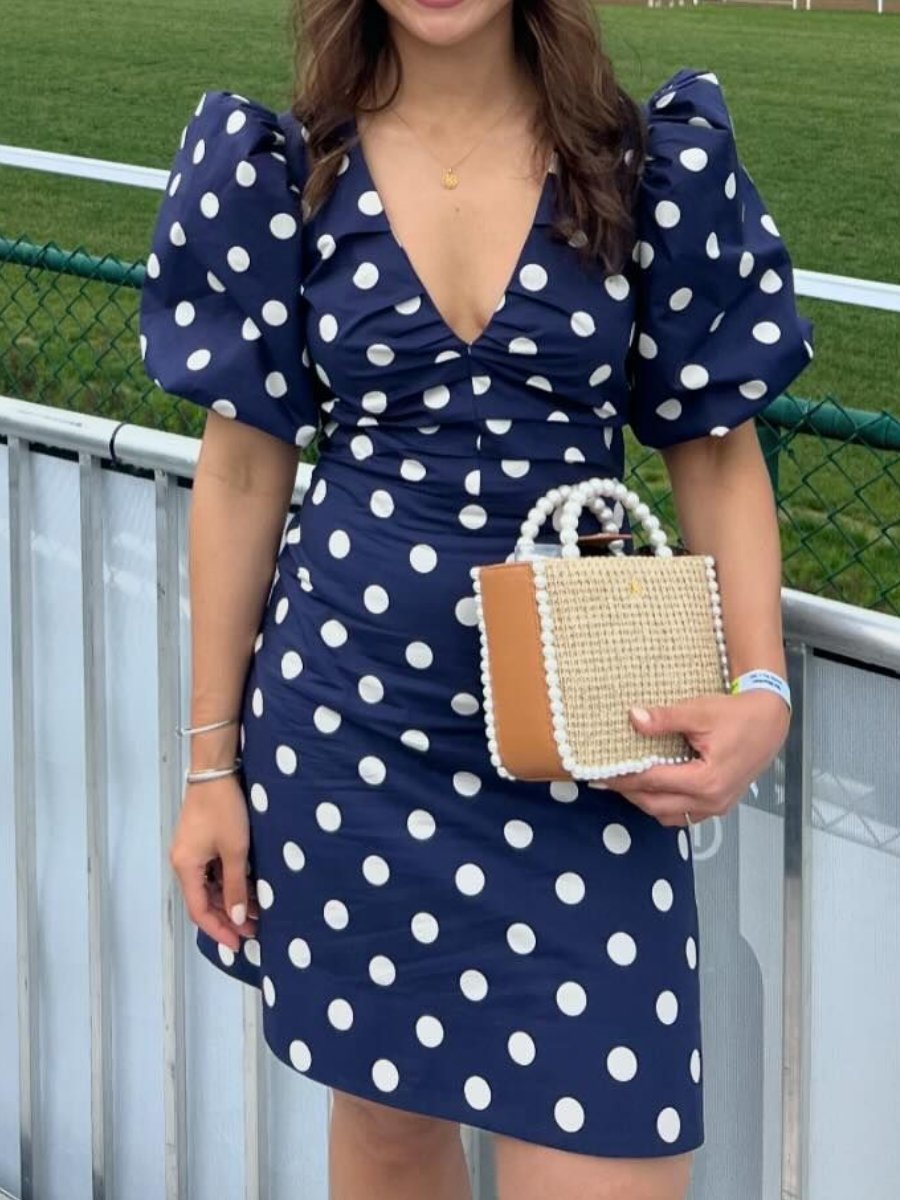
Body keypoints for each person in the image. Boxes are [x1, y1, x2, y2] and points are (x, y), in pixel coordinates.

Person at [138, 1, 812, 1197]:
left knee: (616, 1139)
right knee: (391, 1141)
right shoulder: (279, 175)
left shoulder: (648, 166)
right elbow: (243, 472)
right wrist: (208, 771)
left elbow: (713, 448)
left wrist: (760, 684)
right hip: (350, 743)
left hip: (587, 751)